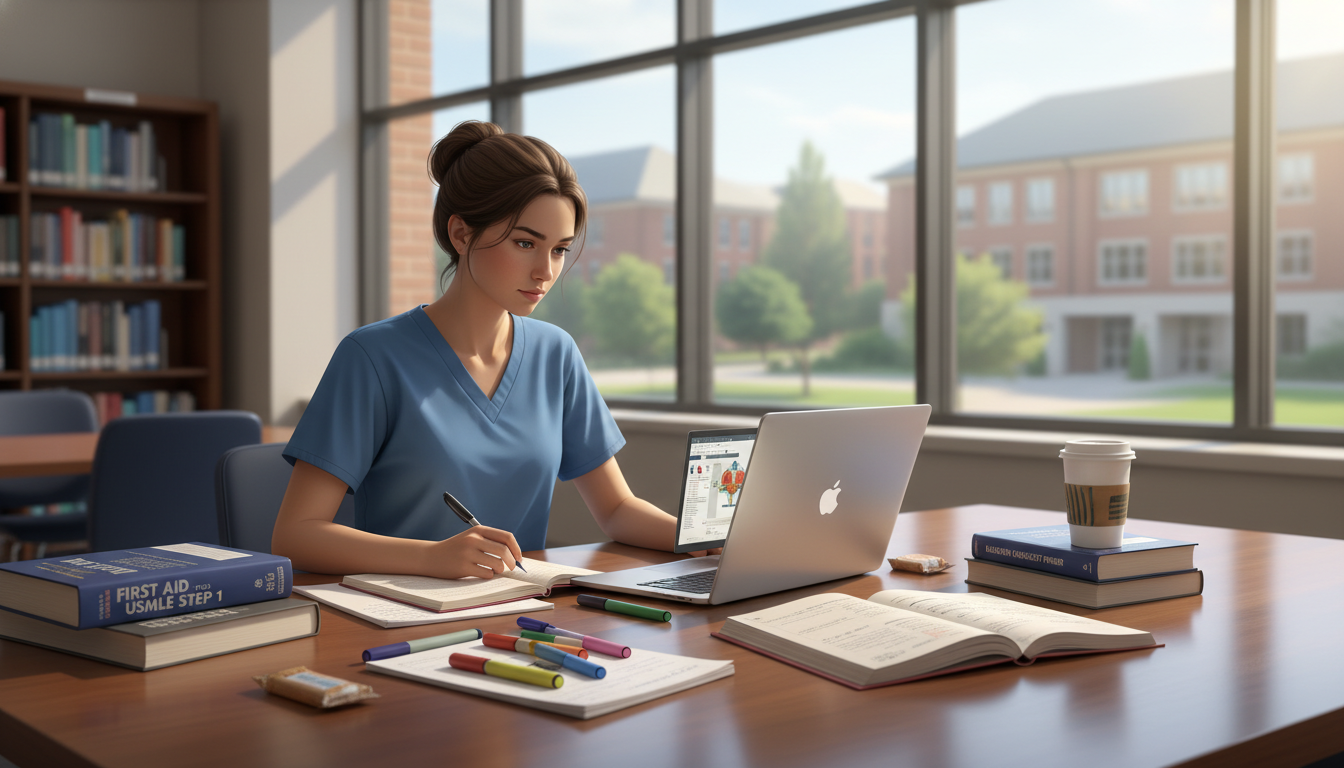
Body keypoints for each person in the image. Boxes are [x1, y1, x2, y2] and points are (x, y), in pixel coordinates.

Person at [272, 121, 713, 579]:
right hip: (401, 619)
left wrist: (702, 540)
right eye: (525, 243)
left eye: (560, 250)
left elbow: (618, 509)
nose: (545, 271)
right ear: (461, 235)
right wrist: (431, 558)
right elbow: (297, 534)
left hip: (523, 612)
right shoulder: (372, 357)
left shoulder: (555, 354)